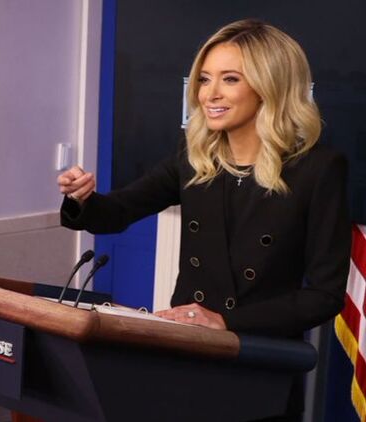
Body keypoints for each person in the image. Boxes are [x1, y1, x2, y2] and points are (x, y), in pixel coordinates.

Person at [58, 19, 349, 418]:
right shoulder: (193, 158)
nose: (209, 94)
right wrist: (82, 199)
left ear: (270, 86)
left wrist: (227, 321)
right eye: (204, 79)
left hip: (260, 361)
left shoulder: (318, 169)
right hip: (188, 354)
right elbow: (117, 212)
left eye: (230, 79)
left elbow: (324, 295)